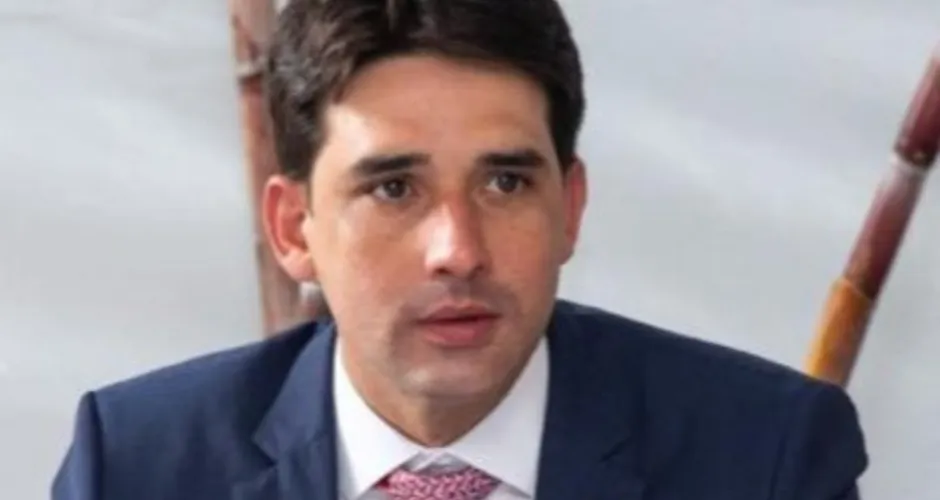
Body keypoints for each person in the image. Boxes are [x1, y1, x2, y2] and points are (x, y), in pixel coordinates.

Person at [52, 0, 868, 498]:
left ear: (570, 208)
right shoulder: (137, 467)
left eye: (505, 183)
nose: (457, 250)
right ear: (294, 228)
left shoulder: (764, 458)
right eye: (393, 189)